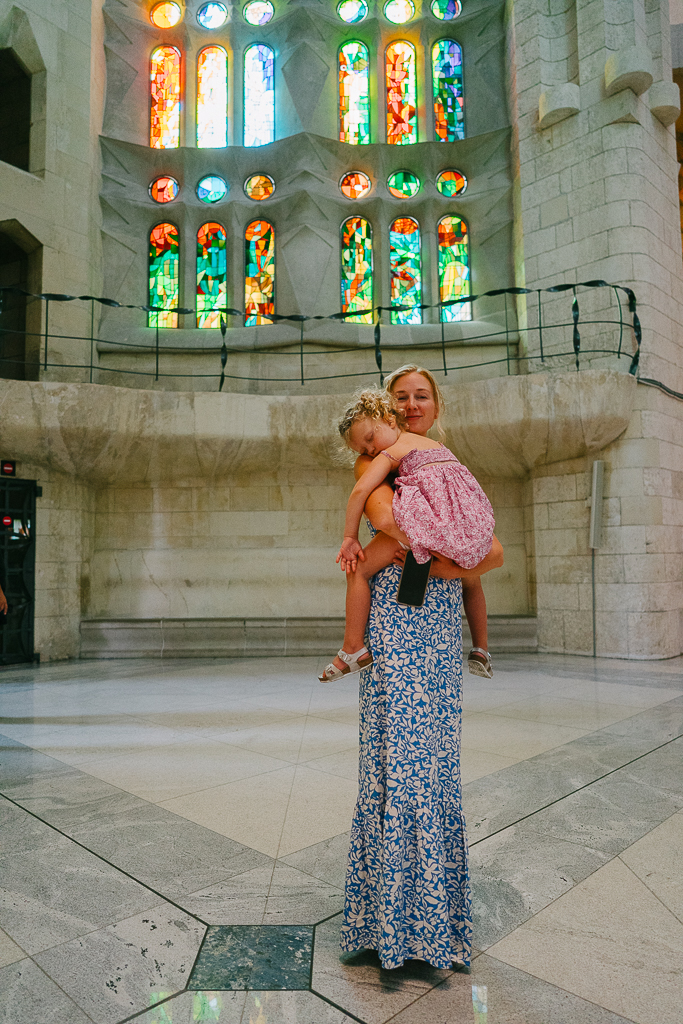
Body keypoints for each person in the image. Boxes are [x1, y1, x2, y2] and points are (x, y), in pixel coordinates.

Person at [339, 364, 504, 971]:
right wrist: (455, 557)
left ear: (435, 404)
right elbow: (392, 528)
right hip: (400, 623)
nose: (411, 406)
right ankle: (392, 926)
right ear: (385, 408)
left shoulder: (438, 465)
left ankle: (433, 924)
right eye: (401, 397)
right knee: (401, 766)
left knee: (432, 765)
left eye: (422, 396)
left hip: (438, 629)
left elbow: (494, 552)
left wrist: (455, 559)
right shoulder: (376, 462)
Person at [318, 388, 494, 683]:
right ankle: (482, 649)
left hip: (431, 524)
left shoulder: (396, 448)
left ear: (389, 419)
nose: (371, 452)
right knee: (472, 581)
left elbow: (361, 491)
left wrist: (349, 537)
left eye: (371, 440)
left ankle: (353, 649)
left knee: (358, 568)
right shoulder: (435, 445)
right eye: (364, 451)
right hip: (470, 522)